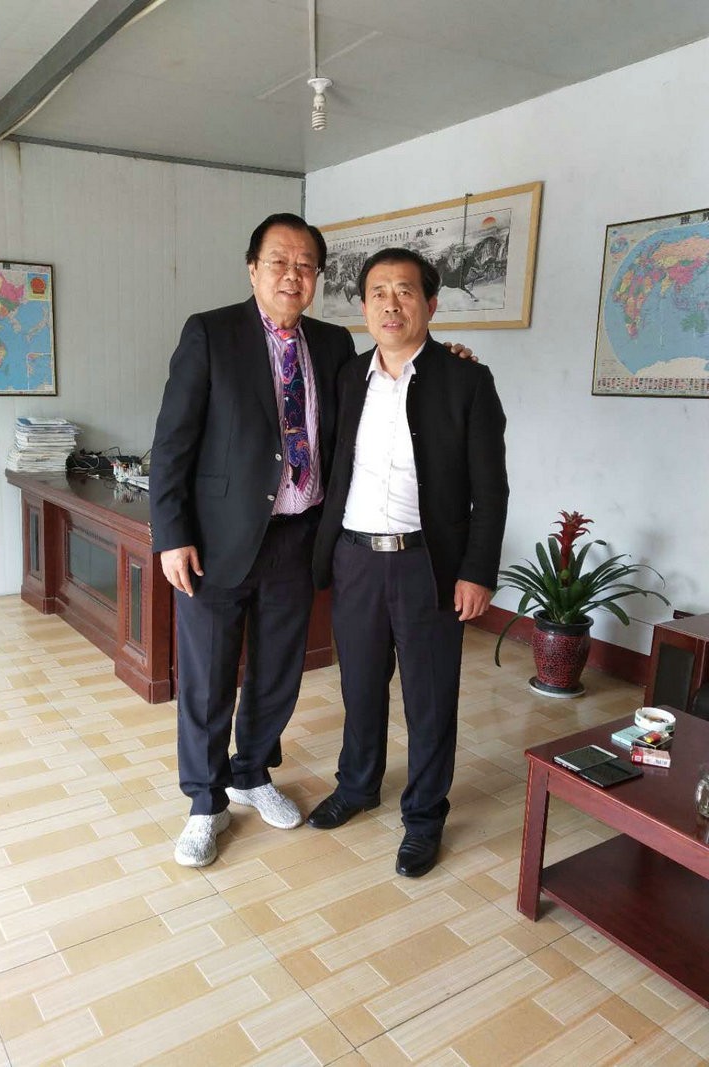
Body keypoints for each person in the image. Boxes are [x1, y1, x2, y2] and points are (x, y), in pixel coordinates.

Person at [150, 215, 474, 868]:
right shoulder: (210, 333)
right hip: (218, 541)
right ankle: (205, 802)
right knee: (209, 678)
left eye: (305, 265)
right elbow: (172, 441)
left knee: (276, 672)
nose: (292, 275)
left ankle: (251, 772)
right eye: (279, 261)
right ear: (253, 269)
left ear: (318, 277)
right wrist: (172, 533)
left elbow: (384, 392)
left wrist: (447, 365)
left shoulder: (332, 344)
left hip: (299, 537)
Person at [308, 247, 509, 879]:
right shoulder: (347, 377)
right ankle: (357, 786)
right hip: (355, 560)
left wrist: (477, 572)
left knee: (430, 698)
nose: (390, 304)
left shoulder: (466, 380)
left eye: (404, 291)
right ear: (364, 306)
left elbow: (492, 490)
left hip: (428, 565)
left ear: (431, 303)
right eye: (377, 293)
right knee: (360, 687)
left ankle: (424, 817)